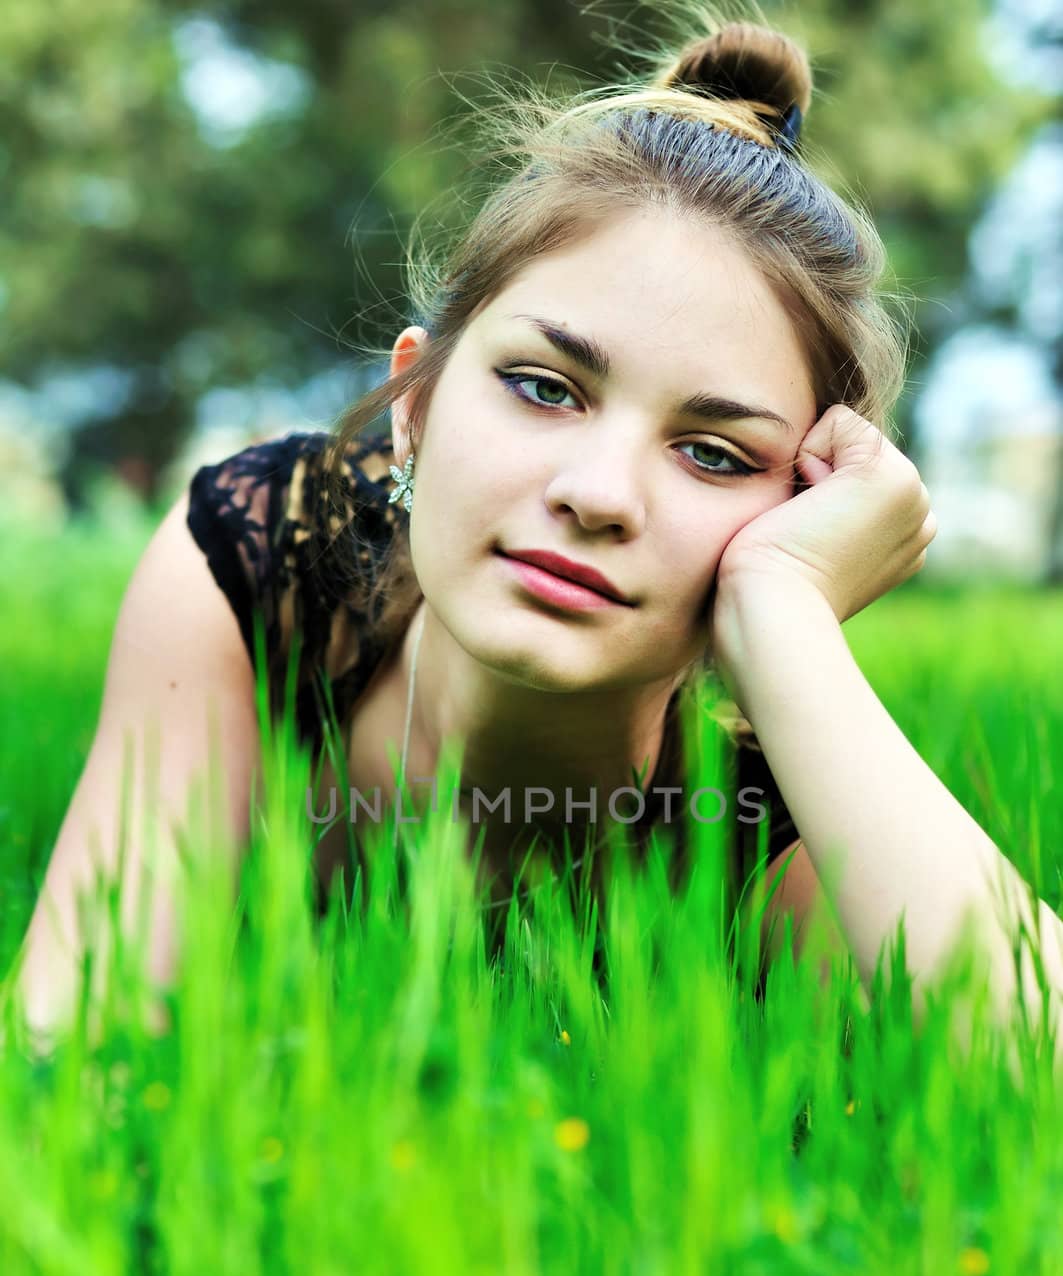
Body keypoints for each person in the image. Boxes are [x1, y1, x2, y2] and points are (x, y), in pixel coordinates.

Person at [11, 14, 1063, 1064]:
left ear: (795, 512)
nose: (598, 494)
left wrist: (783, 617)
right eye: (543, 387)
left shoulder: (754, 827)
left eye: (711, 453)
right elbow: (71, 1059)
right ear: (414, 409)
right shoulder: (270, 561)